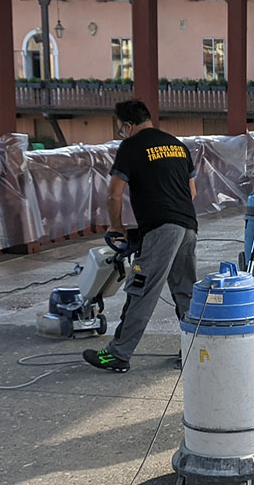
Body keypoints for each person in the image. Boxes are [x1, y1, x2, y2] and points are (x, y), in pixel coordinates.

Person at [84, 99, 197, 373]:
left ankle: (118, 354)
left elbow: (114, 193)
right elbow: (192, 193)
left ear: (127, 125)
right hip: (188, 226)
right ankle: (194, 352)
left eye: (121, 127)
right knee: (186, 293)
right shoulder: (177, 145)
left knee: (141, 288)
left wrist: (118, 227)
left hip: (161, 230)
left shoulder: (131, 146)